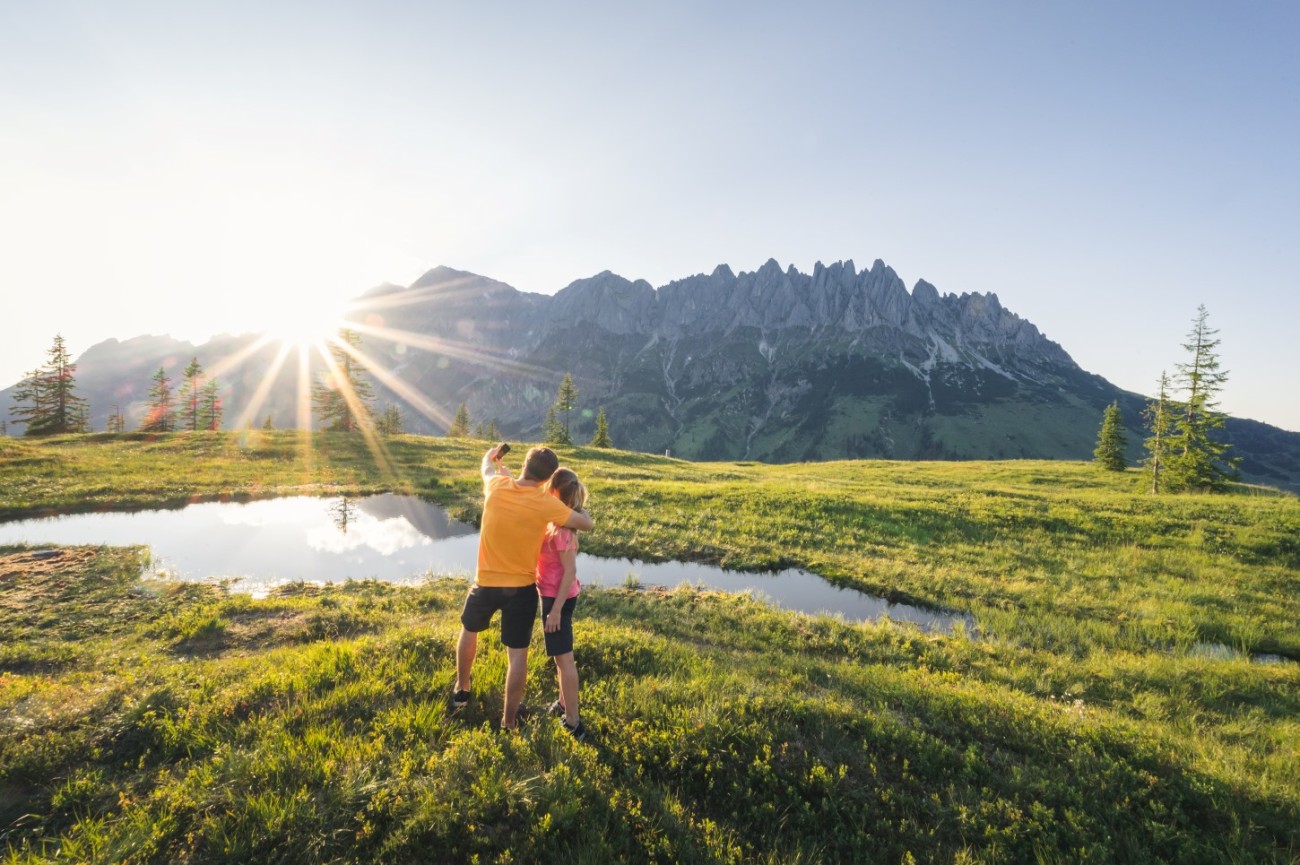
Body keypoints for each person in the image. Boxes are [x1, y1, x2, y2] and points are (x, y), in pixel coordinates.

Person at [453, 444, 594, 731]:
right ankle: (509, 721)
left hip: (486, 582)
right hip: (522, 590)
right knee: (517, 656)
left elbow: (486, 467)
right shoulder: (547, 504)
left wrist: (493, 454)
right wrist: (570, 504)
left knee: (469, 632)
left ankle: (461, 688)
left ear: (524, 466)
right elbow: (585, 524)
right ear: (548, 479)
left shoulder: (495, 485)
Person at [536, 467, 589, 740]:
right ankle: (563, 702)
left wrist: (555, 611)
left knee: (565, 659)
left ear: (555, 492)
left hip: (559, 599)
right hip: (556, 595)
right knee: (560, 657)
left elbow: (570, 572)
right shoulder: (560, 522)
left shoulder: (562, 531)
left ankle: (573, 722)